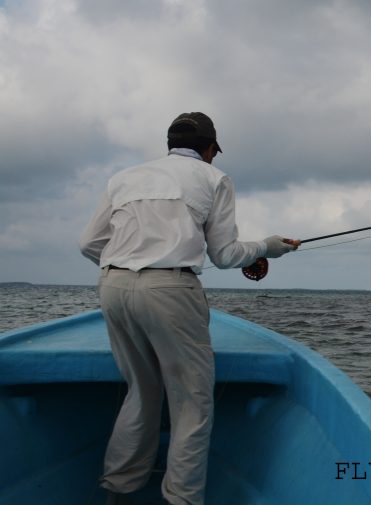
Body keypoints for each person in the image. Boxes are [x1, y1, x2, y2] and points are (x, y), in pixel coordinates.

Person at [79, 112, 298, 505]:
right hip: (170, 289)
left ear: (169, 144)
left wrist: (129, 263)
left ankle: (118, 491)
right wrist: (268, 246)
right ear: (210, 148)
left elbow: (89, 244)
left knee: (141, 391)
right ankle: (182, 499)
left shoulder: (123, 177)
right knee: (192, 404)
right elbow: (227, 254)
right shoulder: (215, 179)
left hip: (112, 284)